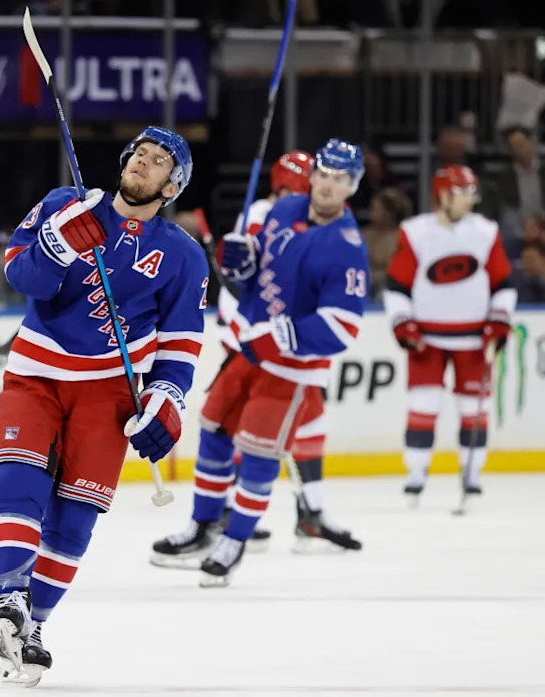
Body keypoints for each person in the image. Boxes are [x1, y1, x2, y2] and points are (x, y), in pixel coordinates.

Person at [0, 127, 208, 686]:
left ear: (172, 185)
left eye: (159, 161)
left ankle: (32, 625)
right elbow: (20, 276)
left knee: (76, 515)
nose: (143, 163)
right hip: (37, 369)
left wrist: (165, 401)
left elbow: (180, 344)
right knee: (19, 476)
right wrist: (59, 243)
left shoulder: (182, 255)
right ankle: (8, 596)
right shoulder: (66, 205)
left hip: (111, 390)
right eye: (139, 153)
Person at [151, 150, 362, 567]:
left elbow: (342, 326)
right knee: (213, 430)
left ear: (352, 186)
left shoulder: (346, 244)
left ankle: (237, 540)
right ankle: (204, 526)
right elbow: (257, 273)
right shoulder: (282, 211)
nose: (326, 184)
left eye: (340, 178)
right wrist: (242, 265)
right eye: (323, 174)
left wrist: (281, 335)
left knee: (261, 452)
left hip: (290, 366)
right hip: (246, 350)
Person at [383, 165, 516, 509]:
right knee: (422, 407)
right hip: (427, 338)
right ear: (443, 195)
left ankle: (472, 475)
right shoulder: (415, 233)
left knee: (475, 408)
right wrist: (403, 324)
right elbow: (396, 287)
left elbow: (504, 285)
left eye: (472, 193)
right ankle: (415, 476)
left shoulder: (486, 232)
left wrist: (498, 323)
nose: (470, 199)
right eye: (463, 192)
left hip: (474, 338)